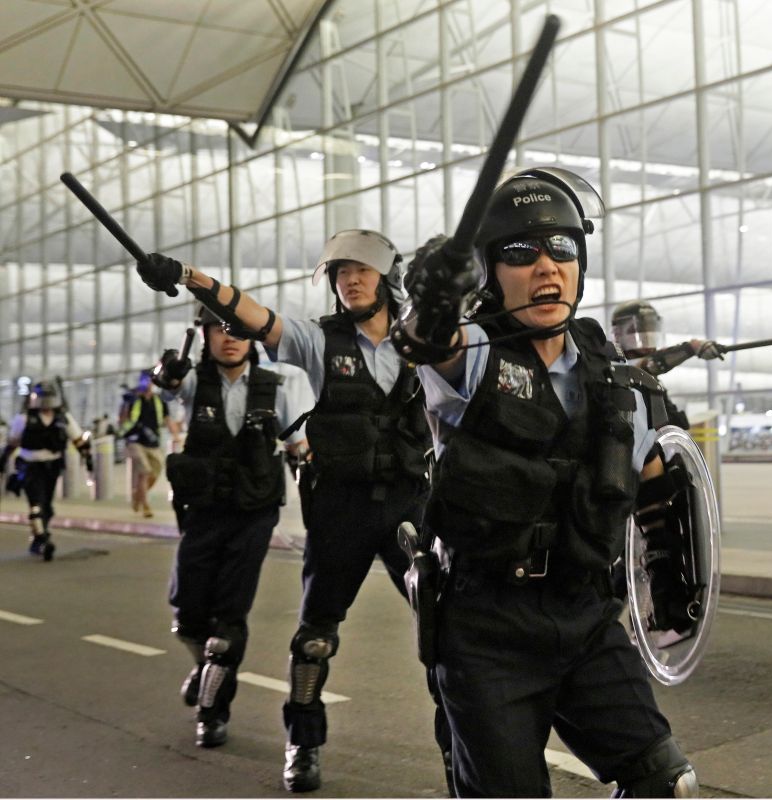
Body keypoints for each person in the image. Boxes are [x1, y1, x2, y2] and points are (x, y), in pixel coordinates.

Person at [394, 166, 698, 797]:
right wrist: (432, 292)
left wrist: (673, 581)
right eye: (519, 253)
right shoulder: (470, 358)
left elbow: (653, 491)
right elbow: (428, 341)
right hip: (487, 629)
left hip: (585, 617)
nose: (545, 266)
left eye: (563, 249)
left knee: (667, 783)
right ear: (489, 273)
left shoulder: (616, 383)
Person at [133, 229, 439, 793]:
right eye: (341, 273)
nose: (349, 281)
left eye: (361, 271)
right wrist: (187, 275)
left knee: (449, 631)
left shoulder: (424, 341)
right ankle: (303, 740)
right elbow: (255, 317)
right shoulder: (317, 341)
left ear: (387, 278)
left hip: (410, 506)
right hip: (340, 507)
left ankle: (461, 747)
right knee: (315, 639)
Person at [151, 306, 312, 749]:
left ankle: (212, 710)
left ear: (252, 338)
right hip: (202, 512)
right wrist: (165, 372)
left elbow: (300, 445)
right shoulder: (192, 383)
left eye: (238, 330)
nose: (229, 337)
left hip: (253, 514)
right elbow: (165, 389)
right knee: (186, 616)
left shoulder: (275, 386)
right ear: (203, 336)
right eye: (218, 329)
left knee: (228, 620)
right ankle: (204, 668)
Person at [2, 381, 92, 560]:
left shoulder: (62, 418)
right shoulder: (24, 419)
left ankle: (38, 537)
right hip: (30, 466)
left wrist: (87, 457)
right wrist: (3, 460)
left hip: (52, 467)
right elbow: (13, 442)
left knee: (47, 506)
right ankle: (43, 539)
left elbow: (77, 439)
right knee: (36, 504)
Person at [609, 300, 721, 430]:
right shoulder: (614, 368)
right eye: (637, 329)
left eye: (650, 329)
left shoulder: (653, 382)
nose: (646, 336)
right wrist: (691, 348)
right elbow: (650, 365)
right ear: (618, 334)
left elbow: (673, 423)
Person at [118, 372, 172, 518]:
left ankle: (138, 496)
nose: (147, 384)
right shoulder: (133, 399)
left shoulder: (159, 400)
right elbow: (122, 420)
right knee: (145, 472)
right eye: (144, 381)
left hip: (153, 442)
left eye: (149, 381)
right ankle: (146, 506)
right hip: (135, 440)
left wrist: (176, 434)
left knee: (156, 471)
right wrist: (126, 404)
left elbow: (167, 419)